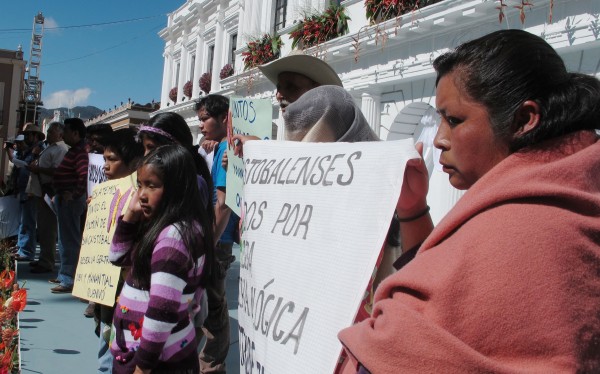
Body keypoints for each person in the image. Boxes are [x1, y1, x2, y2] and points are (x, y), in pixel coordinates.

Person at [337, 29, 600, 373]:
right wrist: (414, 208)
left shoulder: (524, 227)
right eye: (439, 119)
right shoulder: (567, 190)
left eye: (455, 120)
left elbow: (392, 347)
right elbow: (439, 281)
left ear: (523, 120)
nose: (439, 140)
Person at [109, 144, 215, 374]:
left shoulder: (173, 239)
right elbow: (117, 257)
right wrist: (130, 216)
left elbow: (162, 312)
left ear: (176, 189)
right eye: (139, 185)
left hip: (156, 363)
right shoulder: (165, 226)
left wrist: (142, 367)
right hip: (151, 356)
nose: (142, 195)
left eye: (152, 186)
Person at [194, 94, 239, 373]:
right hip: (215, 238)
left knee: (214, 309)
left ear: (224, 118)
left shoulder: (226, 150)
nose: (200, 125)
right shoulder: (222, 147)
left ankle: (211, 365)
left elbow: (222, 204)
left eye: (204, 119)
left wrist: (207, 242)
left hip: (216, 240)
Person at [93, 128, 144, 372]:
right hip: (105, 282)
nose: (105, 165)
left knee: (118, 339)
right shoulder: (104, 192)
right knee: (105, 332)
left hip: (126, 284)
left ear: (133, 162)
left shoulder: (140, 196)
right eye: (104, 159)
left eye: (112, 160)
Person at [50, 117, 88, 294]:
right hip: (65, 199)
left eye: (65, 130)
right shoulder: (75, 151)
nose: (62, 134)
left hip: (70, 201)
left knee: (69, 240)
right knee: (65, 239)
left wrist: (73, 194)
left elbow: (83, 175)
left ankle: (68, 279)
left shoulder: (79, 152)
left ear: (75, 133)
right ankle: (64, 274)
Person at [26, 122, 69, 274]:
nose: (49, 134)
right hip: (41, 191)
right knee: (43, 228)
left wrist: (38, 169)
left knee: (48, 228)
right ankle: (44, 258)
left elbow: (57, 171)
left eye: (51, 132)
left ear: (60, 134)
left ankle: (47, 262)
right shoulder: (49, 147)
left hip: (49, 192)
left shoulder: (61, 149)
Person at [258, 51, 343, 112]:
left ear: (316, 90)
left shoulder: (330, 133)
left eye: (291, 86)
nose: (279, 96)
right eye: (278, 88)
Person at [11, 123, 46, 261]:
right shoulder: (30, 149)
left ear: (35, 135)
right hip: (25, 188)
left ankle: (26, 251)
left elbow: (28, 165)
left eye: (27, 135)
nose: (25, 137)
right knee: (23, 221)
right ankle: (22, 247)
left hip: (31, 189)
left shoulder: (38, 149)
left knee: (28, 221)